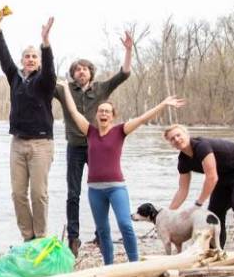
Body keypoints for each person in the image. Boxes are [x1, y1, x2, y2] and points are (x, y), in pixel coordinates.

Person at [61, 86, 184, 265]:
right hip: (95, 190)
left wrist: (163, 104)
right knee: (103, 230)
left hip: (116, 188)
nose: (104, 114)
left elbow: (143, 118)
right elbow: (72, 111)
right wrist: (65, 88)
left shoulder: (120, 131)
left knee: (125, 224)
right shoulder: (90, 131)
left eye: (107, 111)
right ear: (97, 115)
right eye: (101, 111)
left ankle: (133, 264)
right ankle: (109, 266)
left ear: (113, 116)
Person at [53, 31, 133, 257]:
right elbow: (42, 84)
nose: (81, 72)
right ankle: (73, 238)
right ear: (72, 74)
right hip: (75, 147)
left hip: (98, 147)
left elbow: (124, 73)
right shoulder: (64, 89)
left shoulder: (101, 89)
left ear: (90, 72)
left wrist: (128, 50)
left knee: (104, 188)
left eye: (84, 68)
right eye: (77, 69)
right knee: (73, 193)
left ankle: (101, 235)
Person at [0, 15, 56, 241]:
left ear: (38, 61)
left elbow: (49, 69)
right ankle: (27, 237)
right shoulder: (16, 78)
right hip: (17, 143)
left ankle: (40, 236)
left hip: (41, 144)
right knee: (18, 194)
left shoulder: (45, 81)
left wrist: (45, 42)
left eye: (34, 56)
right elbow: (3, 57)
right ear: (22, 61)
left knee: (38, 194)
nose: (30, 59)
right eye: (27, 56)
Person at [164, 125, 234, 250]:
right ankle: (215, 249)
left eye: (178, 135)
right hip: (224, 174)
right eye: (172, 139)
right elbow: (182, 190)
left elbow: (212, 178)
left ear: (186, 134)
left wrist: (198, 204)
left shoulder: (201, 146)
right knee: (215, 212)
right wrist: (167, 214)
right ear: (170, 144)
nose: (176, 139)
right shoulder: (183, 160)